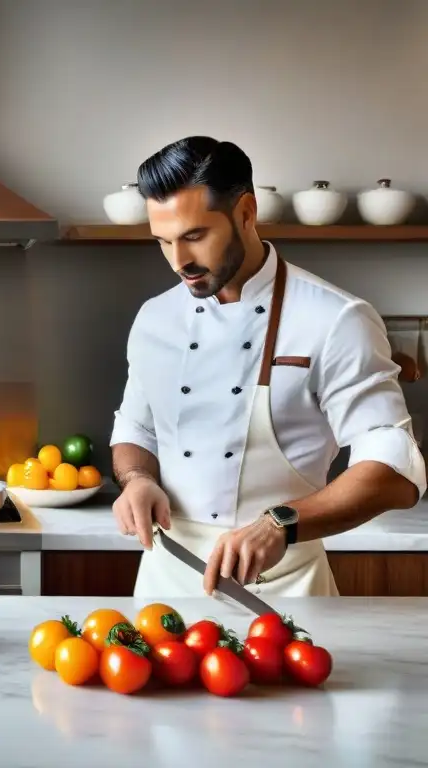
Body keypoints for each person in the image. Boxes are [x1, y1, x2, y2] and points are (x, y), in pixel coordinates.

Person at [110, 136, 426, 599]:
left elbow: (395, 468)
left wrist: (280, 522)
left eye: (195, 236)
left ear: (246, 213)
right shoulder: (155, 319)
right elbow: (136, 429)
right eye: (164, 241)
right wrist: (138, 480)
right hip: (166, 586)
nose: (180, 262)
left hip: (288, 592)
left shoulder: (335, 319)